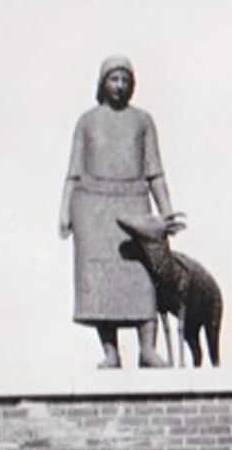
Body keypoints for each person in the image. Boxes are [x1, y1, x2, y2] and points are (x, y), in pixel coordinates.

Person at [59, 56, 173, 368]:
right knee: (99, 281)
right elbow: (73, 171)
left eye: (125, 80)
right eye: (114, 79)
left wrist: (166, 213)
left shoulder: (143, 121)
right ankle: (111, 352)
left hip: (134, 203)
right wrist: (65, 210)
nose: (120, 86)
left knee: (143, 275)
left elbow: (156, 172)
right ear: (102, 82)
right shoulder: (87, 121)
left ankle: (147, 348)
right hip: (93, 208)